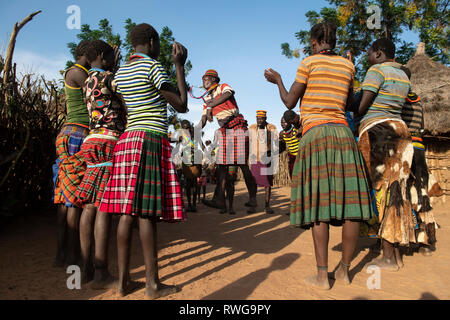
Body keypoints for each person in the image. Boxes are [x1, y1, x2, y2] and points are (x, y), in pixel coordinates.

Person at [265, 21, 372, 289]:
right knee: (352, 208)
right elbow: (351, 105)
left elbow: (290, 101)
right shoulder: (348, 66)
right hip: (344, 136)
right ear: (333, 41)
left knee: (320, 207)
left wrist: (278, 80)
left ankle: (323, 276)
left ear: (314, 42)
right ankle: (345, 271)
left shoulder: (308, 63)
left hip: (315, 136)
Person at [98, 23, 188, 299]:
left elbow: (125, 104)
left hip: (126, 141)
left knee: (126, 212)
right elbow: (182, 104)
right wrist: (179, 66)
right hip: (150, 139)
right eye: (159, 44)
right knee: (147, 213)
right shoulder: (153, 67)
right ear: (151, 42)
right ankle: (152, 285)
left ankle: (124, 282)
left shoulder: (121, 73)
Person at [355, 38, 415, 271]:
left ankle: (388, 255)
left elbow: (361, 107)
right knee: (397, 191)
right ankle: (394, 251)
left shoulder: (376, 70)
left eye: (369, 52)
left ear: (378, 53)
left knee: (380, 191)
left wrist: (352, 97)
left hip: (378, 131)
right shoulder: (402, 74)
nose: (367, 56)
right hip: (401, 130)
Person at [74, 40, 125, 286]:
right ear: (105, 58)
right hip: (109, 141)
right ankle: (102, 271)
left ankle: (86, 269)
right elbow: (125, 100)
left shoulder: (86, 81)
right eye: (113, 57)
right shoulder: (108, 78)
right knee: (104, 204)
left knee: (90, 205)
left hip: (91, 142)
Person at [53, 40, 91, 268]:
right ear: (87, 54)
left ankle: (63, 254)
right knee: (74, 198)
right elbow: (98, 89)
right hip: (77, 134)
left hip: (71, 134)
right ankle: (71, 255)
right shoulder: (77, 72)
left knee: (66, 198)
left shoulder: (78, 72)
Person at [198, 69, 258, 214]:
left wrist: (212, 104)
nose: (203, 81)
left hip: (236, 125)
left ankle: (253, 198)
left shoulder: (223, 86)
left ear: (213, 79)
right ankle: (219, 199)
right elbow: (205, 118)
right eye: (202, 79)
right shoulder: (206, 99)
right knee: (221, 167)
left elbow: (229, 94)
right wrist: (196, 129)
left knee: (243, 165)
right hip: (224, 129)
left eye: (206, 78)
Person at [400, 66, 443, 256]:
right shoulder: (418, 101)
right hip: (419, 148)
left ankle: (406, 237)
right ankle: (426, 240)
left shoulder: (399, 99)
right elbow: (423, 127)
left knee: (403, 194)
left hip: (405, 148)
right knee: (421, 191)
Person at [249, 110, 278, 214]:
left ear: (265, 119)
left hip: (267, 159)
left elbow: (276, 142)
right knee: (253, 183)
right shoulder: (252, 127)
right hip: (255, 159)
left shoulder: (271, 127)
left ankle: (267, 205)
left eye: (261, 119)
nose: (259, 121)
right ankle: (253, 205)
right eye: (257, 118)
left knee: (268, 183)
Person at [178, 120, 203, 212]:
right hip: (186, 162)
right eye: (184, 128)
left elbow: (201, 145)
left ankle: (193, 204)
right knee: (188, 185)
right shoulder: (182, 137)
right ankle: (189, 205)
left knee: (194, 185)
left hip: (194, 161)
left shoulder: (194, 136)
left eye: (187, 127)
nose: (186, 129)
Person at [280, 110, 301, 178]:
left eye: (285, 122)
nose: (283, 124)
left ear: (289, 122)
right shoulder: (282, 134)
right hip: (292, 157)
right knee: (293, 176)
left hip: (301, 156)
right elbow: (282, 146)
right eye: (281, 123)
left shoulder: (296, 130)